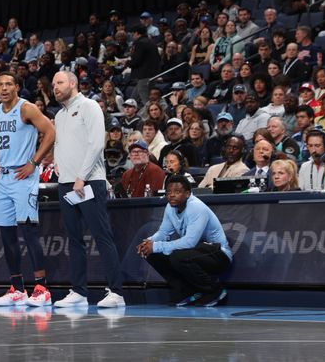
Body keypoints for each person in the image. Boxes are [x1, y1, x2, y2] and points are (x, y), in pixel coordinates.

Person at [51, 71, 125, 308]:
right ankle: (79, 292)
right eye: (53, 84)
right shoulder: (60, 115)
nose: (55, 87)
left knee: (102, 236)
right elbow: (60, 143)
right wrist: (58, 165)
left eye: (60, 82)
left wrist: (81, 178)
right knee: (74, 239)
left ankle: (116, 292)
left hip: (89, 182)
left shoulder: (89, 106)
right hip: (66, 185)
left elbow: (96, 144)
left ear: (73, 83)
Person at [0, 72, 56, 307]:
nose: (4, 88)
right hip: (3, 178)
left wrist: (34, 162)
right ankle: (17, 288)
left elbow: (50, 132)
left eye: (8, 84)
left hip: (23, 176)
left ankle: (42, 288)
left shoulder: (26, 109)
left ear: (16, 87)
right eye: (0, 85)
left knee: (28, 232)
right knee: (6, 235)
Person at [137, 174, 232, 307]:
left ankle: (214, 291)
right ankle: (186, 291)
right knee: (152, 253)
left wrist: (156, 245)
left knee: (178, 256)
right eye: (169, 192)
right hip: (196, 252)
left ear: (187, 194)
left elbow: (189, 242)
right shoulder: (170, 207)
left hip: (218, 254)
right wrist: (149, 242)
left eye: (177, 192)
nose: (171, 195)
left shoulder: (196, 207)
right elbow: (164, 232)